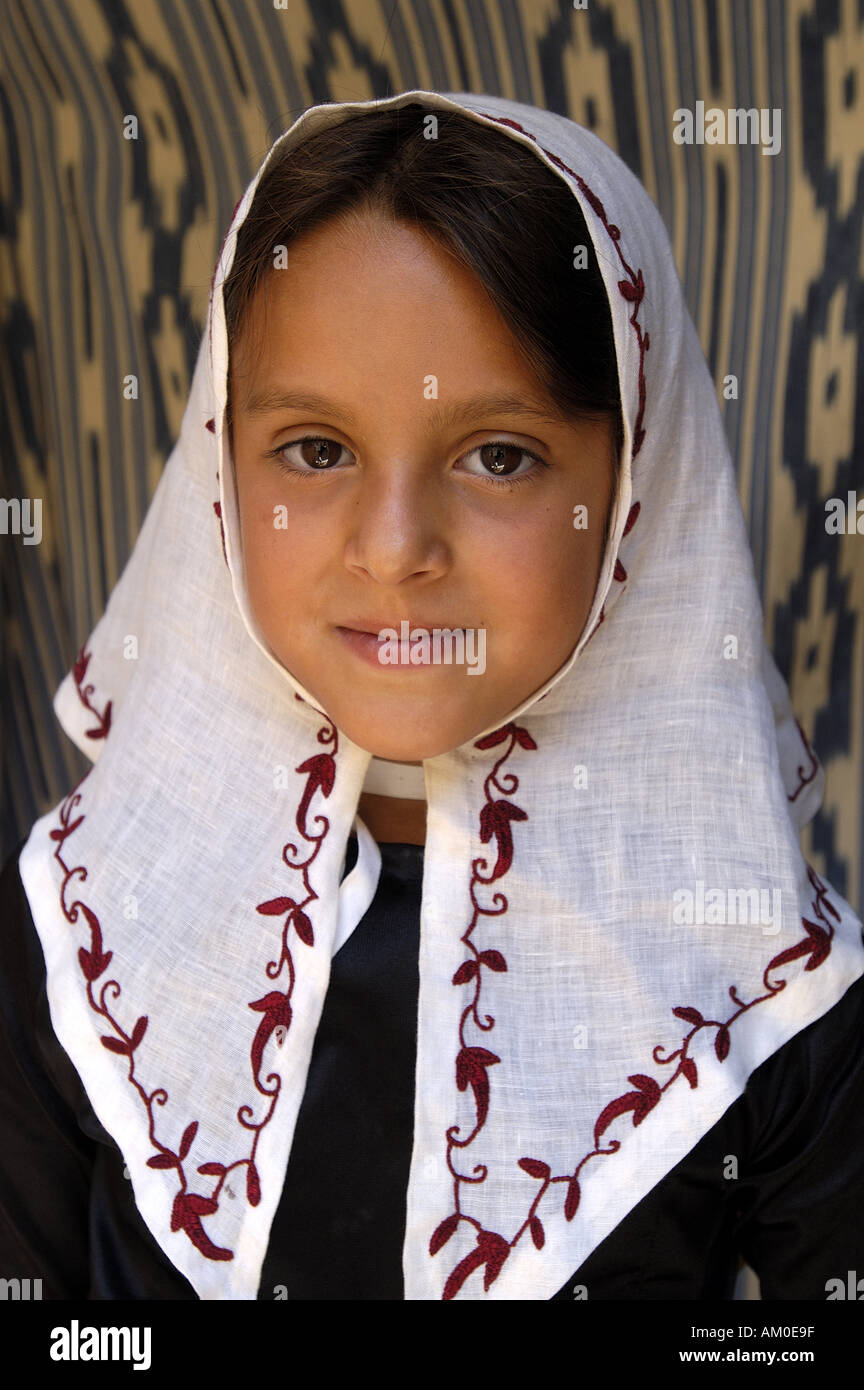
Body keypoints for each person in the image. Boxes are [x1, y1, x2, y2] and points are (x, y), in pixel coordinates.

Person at [1, 90, 862, 1302]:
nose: (396, 547)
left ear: (633, 494)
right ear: (219, 462)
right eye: (315, 448)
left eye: (498, 457)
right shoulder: (83, 935)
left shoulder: (765, 991)